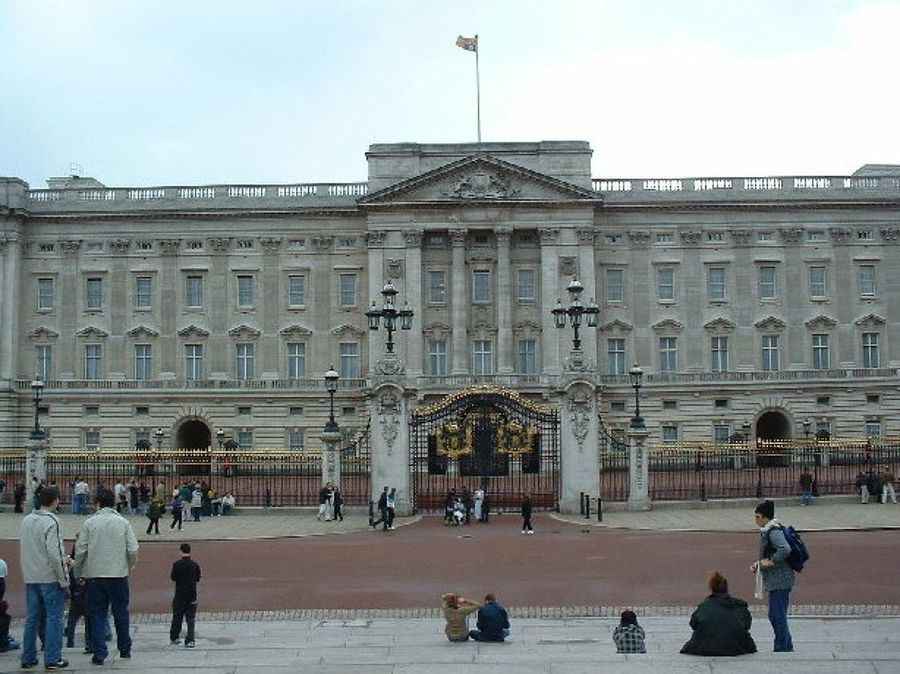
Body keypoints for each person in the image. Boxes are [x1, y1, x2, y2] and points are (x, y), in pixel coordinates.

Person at [74, 487, 140, 665]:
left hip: (96, 575)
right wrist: (129, 566)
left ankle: (99, 653)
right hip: (118, 574)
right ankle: (125, 648)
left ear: (98, 504)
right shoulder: (123, 523)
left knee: (97, 614)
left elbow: (80, 551)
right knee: (121, 612)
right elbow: (133, 549)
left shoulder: (89, 523)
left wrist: (78, 572)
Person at [19, 484, 69, 670]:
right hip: (49, 577)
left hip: (31, 576)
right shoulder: (52, 521)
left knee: (32, 618)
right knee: (54, 618)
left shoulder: (26, 520)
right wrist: (64, 579)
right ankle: (52, 658)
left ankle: (28, 656)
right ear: (55, 501)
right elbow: (55, 555)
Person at [751, 499, 795, 652]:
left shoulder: (773, 532)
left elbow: (785, 549)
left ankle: (783, 647)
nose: (756, 520)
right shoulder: (769, 530)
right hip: (778, 580)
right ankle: (785, 645)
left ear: (765, 517)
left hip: (780, 580)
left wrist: (771, 561)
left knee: (777, 616)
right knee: (777, 615)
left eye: (757, 517)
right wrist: (759, 564)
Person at [680, 570, 756, 656]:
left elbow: (693, 624)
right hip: (734, 647)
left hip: (704, 646)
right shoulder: (740, 606)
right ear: (727, 588)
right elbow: (747, 625)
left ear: (711, 588)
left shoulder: (705, 606)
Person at [170, 543, 201, 648]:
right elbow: (197, 578)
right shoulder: (195, 565)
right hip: (192, 595)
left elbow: (173, 577)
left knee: (177, 617)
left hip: (179, 595)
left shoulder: (177, 564)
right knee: (190, 619)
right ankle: (190, 640)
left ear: (181, 551)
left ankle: (174, 637)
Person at [64, 542, 91, 651]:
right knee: (89, 621)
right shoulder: (89, 567)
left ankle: (70, 642)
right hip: (87, 598)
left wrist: (70, 595)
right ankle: (89, 643)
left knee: (72, 621)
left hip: (75, 598)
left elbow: (69, 584)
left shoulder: (72, 570)